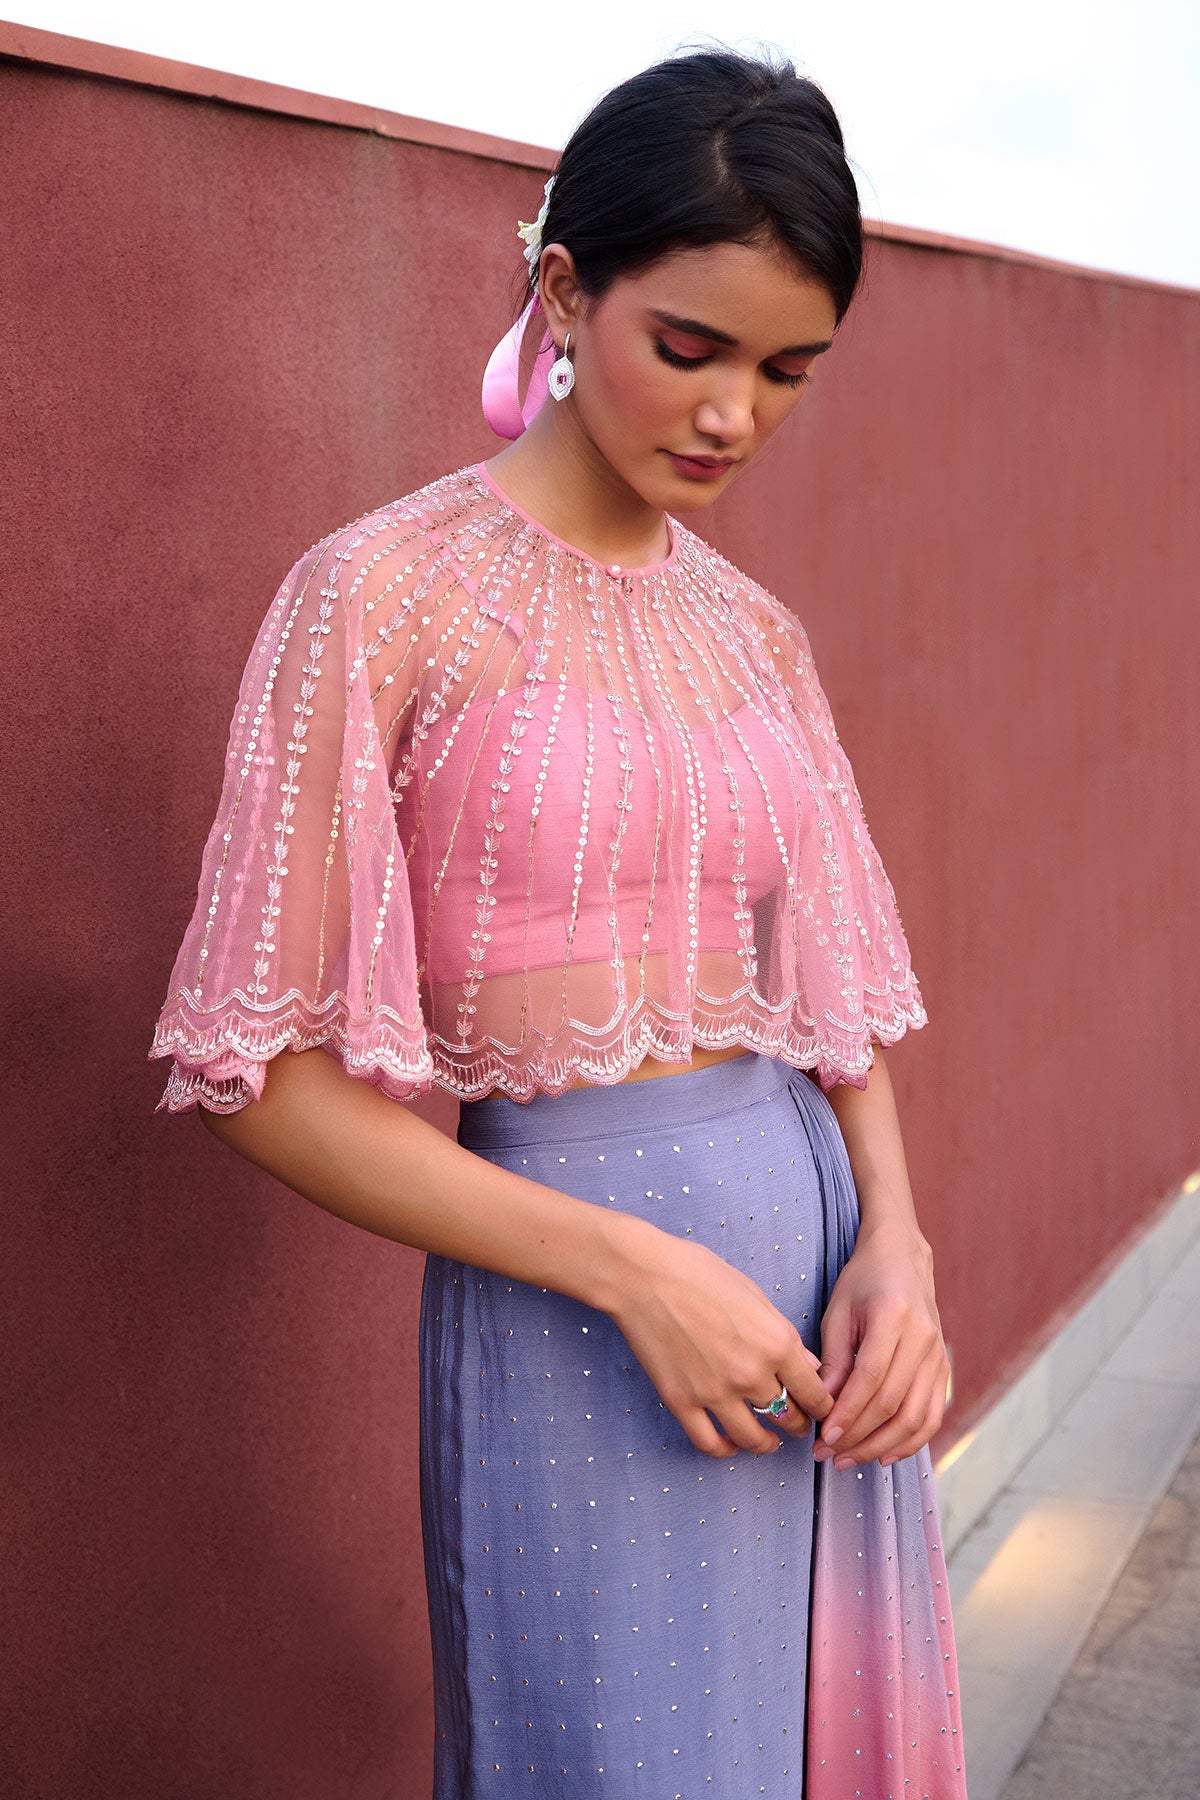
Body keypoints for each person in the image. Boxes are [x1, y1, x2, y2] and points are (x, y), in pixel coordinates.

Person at [149, 43, 968, 1798]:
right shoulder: (379, 595)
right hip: (577, 1327)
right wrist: (635, 1272)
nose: (733, 414)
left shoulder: (755, 636)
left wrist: (900, 1251)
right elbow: (250, 1077)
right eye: (693, 347)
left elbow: (828, 1008)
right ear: (567, 289)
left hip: (820, 1325)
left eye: (787, 371)